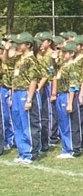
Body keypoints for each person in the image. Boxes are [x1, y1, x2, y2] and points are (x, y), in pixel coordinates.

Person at [7, 33, 43, 163]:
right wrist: (12, 95)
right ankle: (22, 151)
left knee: (28, 123)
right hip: (16, 93)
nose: (17, 46)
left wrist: (29, 99)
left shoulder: (31, 60)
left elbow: (33, 81)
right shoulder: (19, 59)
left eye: (20, 44)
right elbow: (14, 78)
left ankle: (31, 152)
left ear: (28, 45)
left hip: (26, 93)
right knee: (18, 124)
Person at [51, 41, 83, 158]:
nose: (62, 54)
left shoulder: (72, 66)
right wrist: (54, 59)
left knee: (70, 123)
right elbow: (53, 71)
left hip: (68, 96)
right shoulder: (63, 66)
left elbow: (73, 85)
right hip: (61, 95)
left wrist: (70, 103)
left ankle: (73, 149)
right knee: (63, 123)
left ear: (72, 53)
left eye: (65, 53)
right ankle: (66, 148)